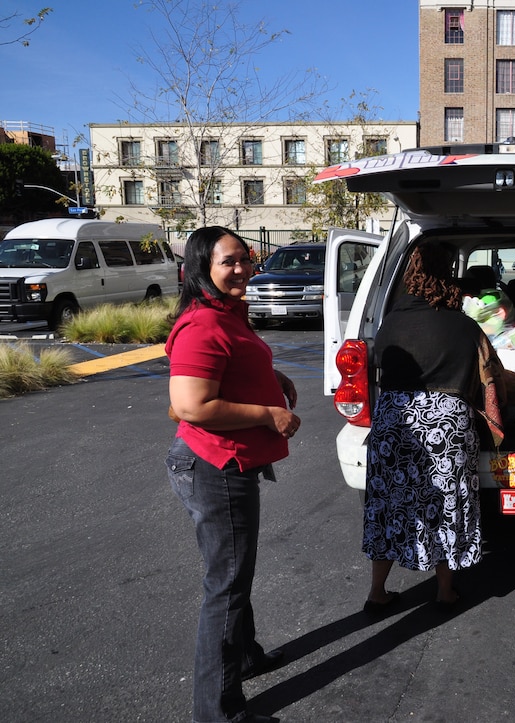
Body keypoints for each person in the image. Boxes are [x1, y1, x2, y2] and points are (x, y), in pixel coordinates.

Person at [165, 226, 300, 723]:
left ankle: (245, 656)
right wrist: (269, 414)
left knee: (234, 574)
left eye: (245, 258)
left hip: (228, 462)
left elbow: (234, 365)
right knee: (225, 586)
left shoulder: (228, 312)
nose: (241, 268)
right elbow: (190, 406)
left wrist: (275, 377)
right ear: (203, 268)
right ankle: (215, 711)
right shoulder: (204, 324)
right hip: (214, 467)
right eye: (229, 261)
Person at [362, 243, 506, 612]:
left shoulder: (390, 321)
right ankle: (445, 591)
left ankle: (377, 592)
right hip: (447, 425)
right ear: (451, 277)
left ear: (411, 275)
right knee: (443, 504)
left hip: (394, 422)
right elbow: (492, 378)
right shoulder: (465, 326)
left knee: (389, 505)